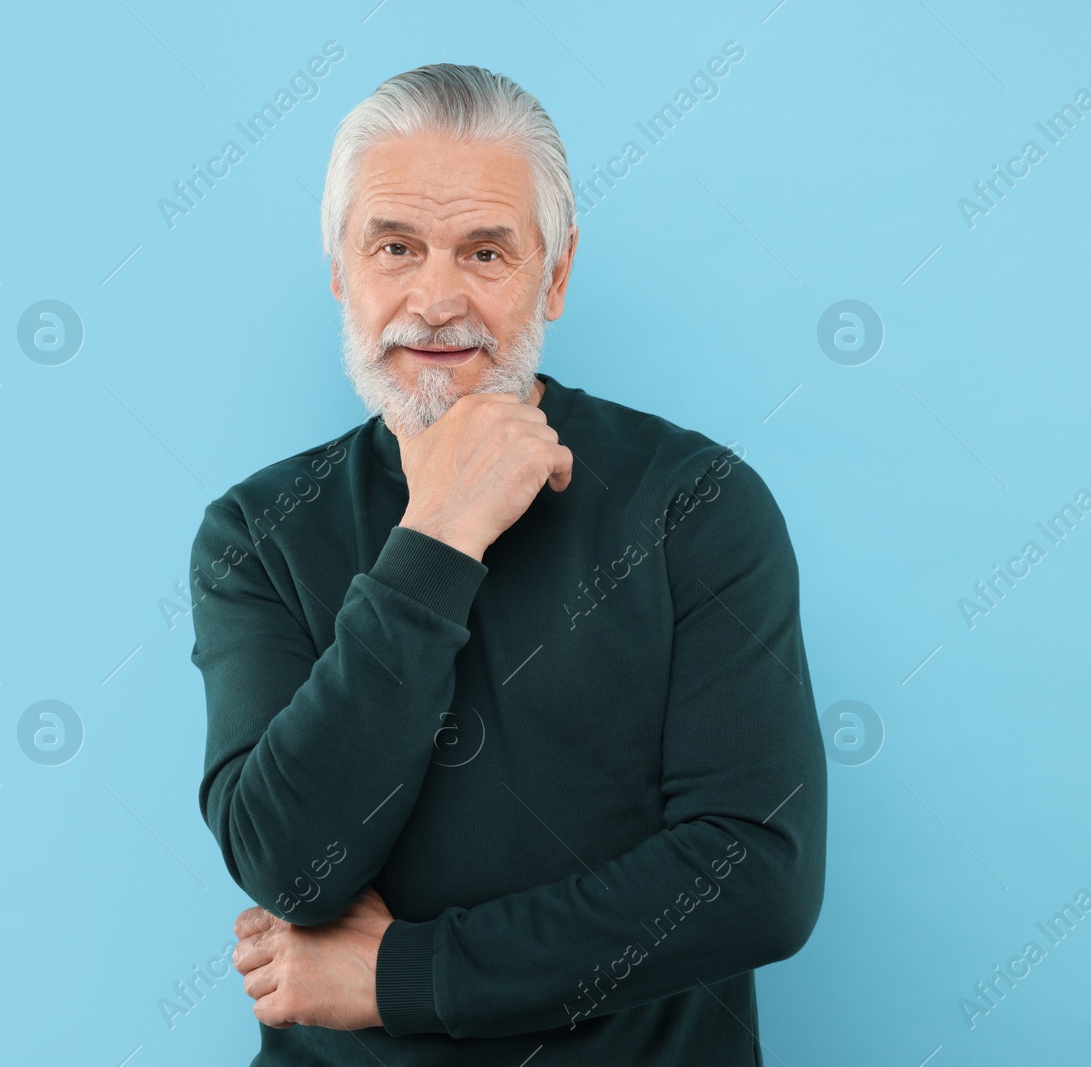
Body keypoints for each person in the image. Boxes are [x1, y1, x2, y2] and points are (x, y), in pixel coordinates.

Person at [187, 62, 826, 1065]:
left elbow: (754, 875)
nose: (436, 299)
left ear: (555, 277)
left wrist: (402, 976)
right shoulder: (258, 532)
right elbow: (293, 867)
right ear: (340, 270)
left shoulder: (694, 501)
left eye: (484, 251)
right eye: (394, 245)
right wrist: (439, 532)